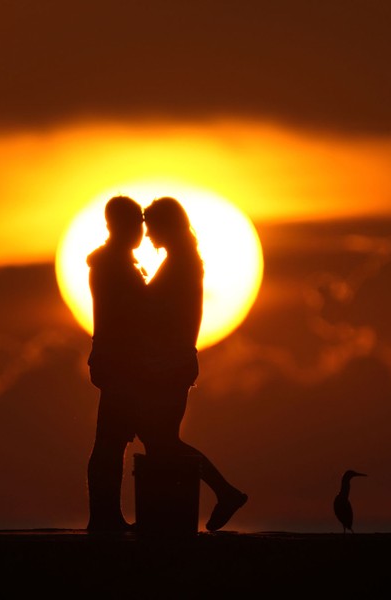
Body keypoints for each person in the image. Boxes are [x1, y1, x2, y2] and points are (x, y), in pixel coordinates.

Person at [140, 196, 248, 532]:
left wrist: (141, 289)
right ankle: (174, 509)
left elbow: (163, 312)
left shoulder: (180, 264)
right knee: (158, 439)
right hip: (171, 362)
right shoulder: (182, 260)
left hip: (170, 364)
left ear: (165, 227)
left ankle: (225, 492)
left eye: (151, 229)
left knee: (163, 439)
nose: (147, 237)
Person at [85, 195, 147, 533]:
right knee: (109, 440)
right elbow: (122, 315)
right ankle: (103, 516)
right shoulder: (112, 265)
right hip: (118, 360)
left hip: (119, 359)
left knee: (114, 438)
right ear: (118, 226)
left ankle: (108, 515)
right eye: (135, 222)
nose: (140, 229)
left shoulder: (119, 262)